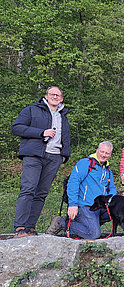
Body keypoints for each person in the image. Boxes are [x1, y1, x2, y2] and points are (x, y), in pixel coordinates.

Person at [12, 86, 71, 238]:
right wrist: (41, 133)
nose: (55, 97)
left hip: (54, 157)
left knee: (42, 193)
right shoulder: (32, 110)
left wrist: (64, 154)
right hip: (34, 154)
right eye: (52, 94)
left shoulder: (63, 116)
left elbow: (66, 137)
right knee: (28, 189)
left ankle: (30, 228)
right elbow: (17, 128)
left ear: (62, 99)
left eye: (58, 95)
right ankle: (19, 228)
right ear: (46, 96)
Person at [46, 142, 118, 239]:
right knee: (93, 234)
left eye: (107, 153)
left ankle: (86, 225)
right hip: (85, 205)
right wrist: (73, 204)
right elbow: (73, 182)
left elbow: (112, 189)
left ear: (110, 154)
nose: (104, 155)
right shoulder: (86, 163)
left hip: (100, 206)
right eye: (102, 152)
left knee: (118, 212)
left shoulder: (108, 171)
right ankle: (62, 223)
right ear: (97, 150)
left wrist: (114, 202)